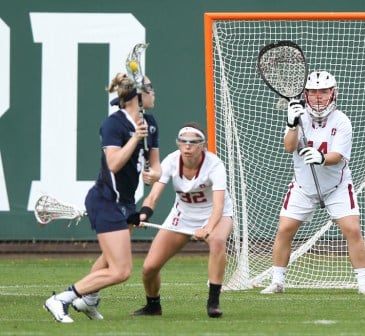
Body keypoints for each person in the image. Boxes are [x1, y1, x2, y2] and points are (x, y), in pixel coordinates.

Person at [44, 72, 161, 323]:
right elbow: (114, 163)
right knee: (121, 271)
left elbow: (155, 166)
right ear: (136, 96)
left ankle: (88, 301)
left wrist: (153, 174)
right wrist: (135, 138)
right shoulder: (113, 124)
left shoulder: (150, 124)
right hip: (106, 200)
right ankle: (61, 299)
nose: (154, 92)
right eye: (150, 88)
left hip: (126, 202)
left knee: (109, 259)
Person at [261, 70, 365, 295]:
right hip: (304, 187)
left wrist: (322, 158)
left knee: (352, 229)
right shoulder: (297, 115)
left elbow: (338, 158)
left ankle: (364, 283)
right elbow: (288, 147)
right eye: (313, 92)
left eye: (323, 91)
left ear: (333, 93)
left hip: (337, 187)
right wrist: (292, 124)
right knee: (284, 228)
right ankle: (277, 281)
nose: (318, 96)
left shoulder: (341, 121)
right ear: (306, 94)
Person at [130, 122, 234, 318]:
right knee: (149, 267)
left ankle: (213, 302)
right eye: (183, 142)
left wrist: (207, 229)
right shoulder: (170, 161)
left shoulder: (215, 165)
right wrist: (142, 215)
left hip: (215, 215)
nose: (188, 147)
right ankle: (153, 306)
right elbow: (152, 197)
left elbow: (219, 206)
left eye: (193, 142)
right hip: (182, 216)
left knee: (218, 242)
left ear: (202, 145)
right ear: (178, 144)